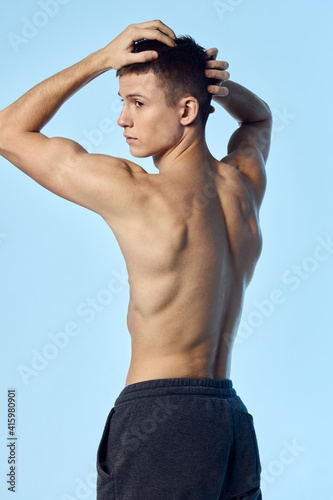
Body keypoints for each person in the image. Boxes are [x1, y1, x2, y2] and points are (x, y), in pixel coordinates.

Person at [0, 19, 271, 500]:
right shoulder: (242, 187)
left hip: (161, 420)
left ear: (187, 110)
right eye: (122, 101)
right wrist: (218, 87)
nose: (123, 119)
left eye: (138, 103)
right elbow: (258, 120)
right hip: (230, 424)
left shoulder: (137, 193)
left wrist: (101, 58)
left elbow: (6, 131)